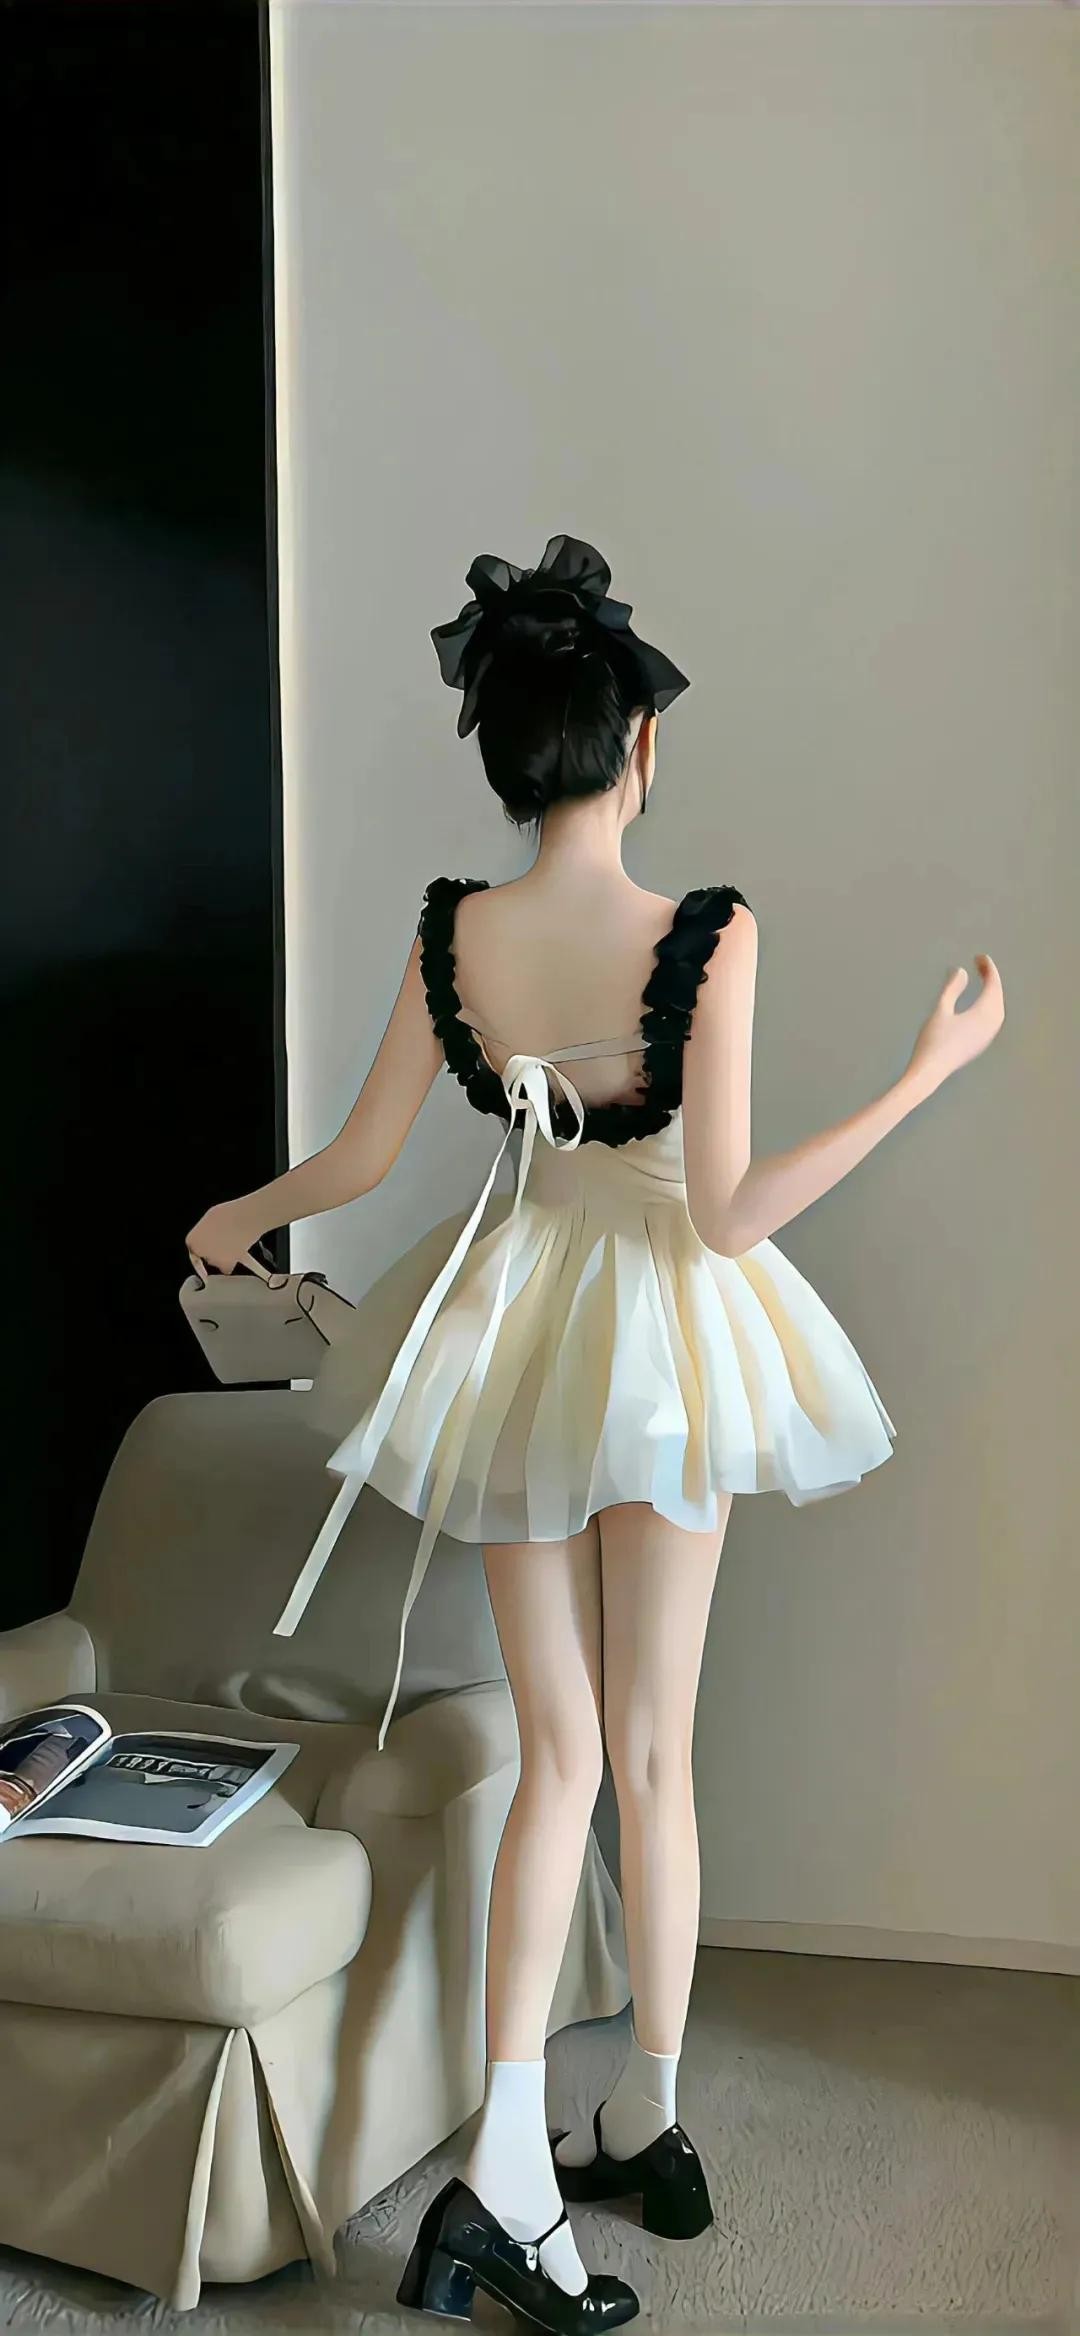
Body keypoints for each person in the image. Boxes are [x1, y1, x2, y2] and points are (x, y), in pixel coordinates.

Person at [186, 533, 1005, 2334]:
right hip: (666, 1342)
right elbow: (725, 1213)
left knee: (561, 1757)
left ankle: (523, 2152)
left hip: (512, 1331)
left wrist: (242, 1216)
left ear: (506, 751)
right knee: (651, 1754)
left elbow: (362, 1161)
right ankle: (633, 2115)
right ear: (637, 744)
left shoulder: (452, 933)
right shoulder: (705, 932)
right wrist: (923, 1079)